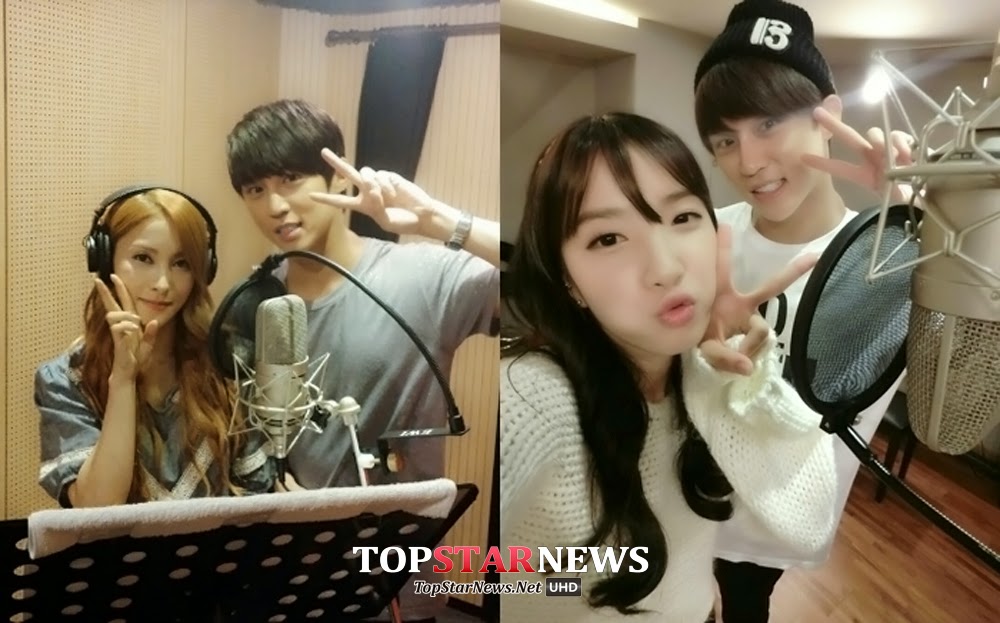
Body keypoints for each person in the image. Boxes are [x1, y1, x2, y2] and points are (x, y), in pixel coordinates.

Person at [499, 112, 839, 622]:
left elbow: (808, 520)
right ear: (568, 280)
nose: (665, 268)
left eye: (682, 219)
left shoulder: (699, 373)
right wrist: (550, 581)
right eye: (608, 238)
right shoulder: (533, 399)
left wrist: (748, 383)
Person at [225, 99, 500, 622]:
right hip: (292, 579)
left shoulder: (422, 278)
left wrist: (436, 219)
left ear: (338, 176)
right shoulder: (255, 304)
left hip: (399, 585)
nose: (275, 205)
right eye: (255, 190)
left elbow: (555, 280)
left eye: (290, 179)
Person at [692, 1, 910, 620]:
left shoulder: (895, 261)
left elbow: (967, 378)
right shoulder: (703, 236)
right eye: (725, 140)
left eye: (768, 124)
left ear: (828, 118)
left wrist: (930, 226)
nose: (748, 162)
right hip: (686, 495)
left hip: (779, 519)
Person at [36, 187, 276, 508]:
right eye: (143, 258)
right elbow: (96, 507)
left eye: (181, 263)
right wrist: (123, 381)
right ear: (105, 260)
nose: (163, 283)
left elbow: (256, 499)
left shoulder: (228, 363)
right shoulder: (65, 380)